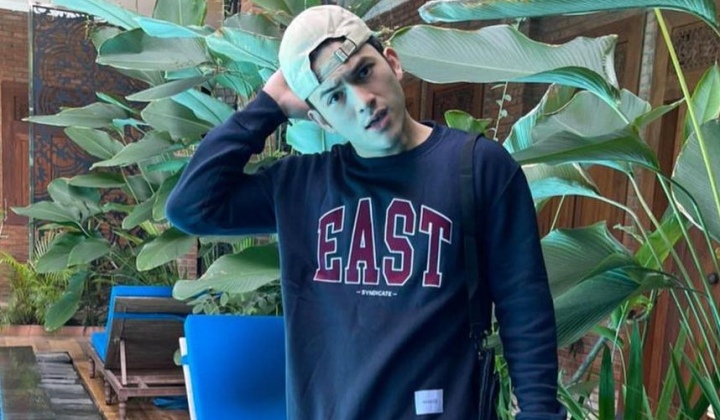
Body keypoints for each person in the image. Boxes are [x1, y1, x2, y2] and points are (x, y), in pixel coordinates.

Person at [166, 5, 565, 419]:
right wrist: (269, 105)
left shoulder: (478, 168)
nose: (362, 101)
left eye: (363, 72)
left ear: (392, 62)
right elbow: (191, 206)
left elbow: (524, 305)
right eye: (335, 97)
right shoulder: (301, 186)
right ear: (320, 119)